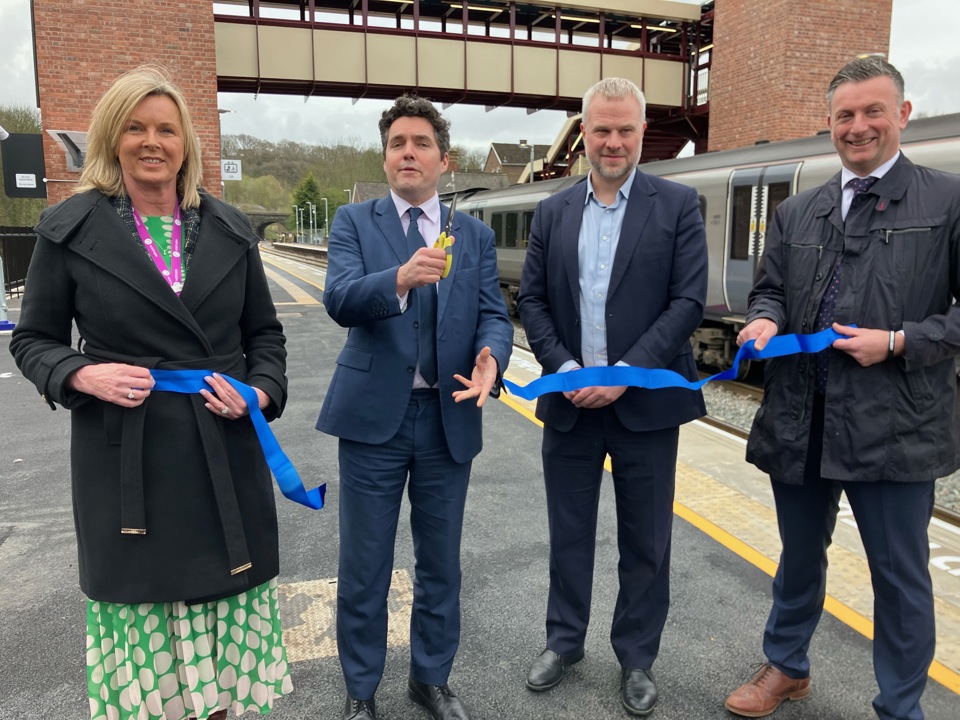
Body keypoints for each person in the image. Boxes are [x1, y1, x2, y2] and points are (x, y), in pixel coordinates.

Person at [9, 65, 292, 720]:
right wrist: (82, 374)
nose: (151, 141)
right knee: (151, 678)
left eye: (166, 128)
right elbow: (33, 340)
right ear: (112, 137)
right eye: (134, 127)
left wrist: (257, 394)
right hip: (126, 467)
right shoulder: (68, 228)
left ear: (186, 142)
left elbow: (267, 339)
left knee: (218, 673)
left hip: (219, 454)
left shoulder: (229, 229)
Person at [724, 56, 960, 720]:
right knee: (798, 558)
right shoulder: (799, 210)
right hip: (802, 419)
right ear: (829, 123)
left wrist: (897, 342)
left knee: (900, 580)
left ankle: (900, 707)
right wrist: (765, 316)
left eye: (873, 111)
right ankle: (787, 667)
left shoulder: (948, 201)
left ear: (903, 115)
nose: (858, 127)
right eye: (845, 116)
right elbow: (768, 287)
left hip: (897, 426)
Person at [317, 93, 513, 720]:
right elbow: (341, 299)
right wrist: (399, 279)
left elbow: (493, 313)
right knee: (366, 563)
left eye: (421, 142)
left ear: (443, 158)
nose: (409, 152)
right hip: (374, 420)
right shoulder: (354, 221)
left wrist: (492, 357)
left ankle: (429, 679)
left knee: (441, 563)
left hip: (447, 417)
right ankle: (361, 690)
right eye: (398, 143)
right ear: (386, 156)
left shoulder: (473, 235)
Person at [517, 76, 708, 716]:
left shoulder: (677, 206)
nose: (614, 141)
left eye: (626, 129)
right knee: (568, 533)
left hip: (646, 405)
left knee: (646, 541)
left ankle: (636, 657)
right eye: (601, 129)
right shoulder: (553, 210)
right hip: (570, 406)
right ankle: (565, 641)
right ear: (585, 132)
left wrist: (628, 371)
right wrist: (568, 371)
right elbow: (535, 302)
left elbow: (687, 303)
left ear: (641, 132)